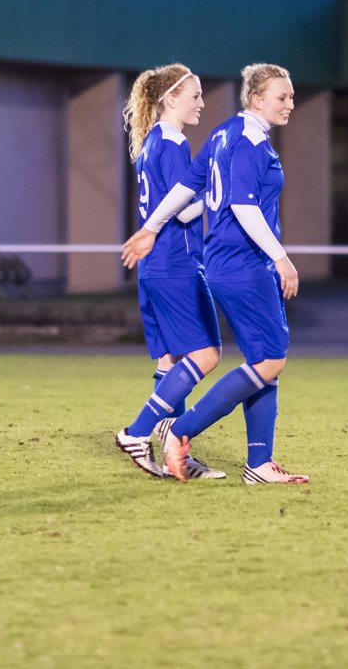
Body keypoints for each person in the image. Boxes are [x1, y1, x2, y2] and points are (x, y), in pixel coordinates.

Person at [122, 63, 309, 485]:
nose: (290, 104)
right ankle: (176, 431)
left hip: (215, 262)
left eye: (292, 97)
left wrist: (149, 229)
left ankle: (259, 464)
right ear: (257, 99)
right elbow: (242, 206)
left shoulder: (223, 133)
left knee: (255, 360)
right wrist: (280, 257)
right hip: (238, 262)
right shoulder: (245, 141)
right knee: (261, 359)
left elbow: (186, 187)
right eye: (283, 97)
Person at [115, 64, 225, 481]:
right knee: (206, 354)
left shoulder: (150, 143)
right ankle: (138, 432)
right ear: (170, 99)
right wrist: (221, 194)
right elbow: (184, 210)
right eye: (194, 95)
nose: (201, 103)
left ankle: (176, 454)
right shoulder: (174, 143)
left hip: (155, 266)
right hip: (176, 263)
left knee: (171, 359)